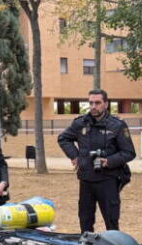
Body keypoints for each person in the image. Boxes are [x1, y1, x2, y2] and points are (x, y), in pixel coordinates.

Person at [58, 89, 136, 232]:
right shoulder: (80, 123)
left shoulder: (117, 125)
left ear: (106, 104)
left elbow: (129, 153)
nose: (93, 106)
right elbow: (63, 138)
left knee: (111, 223)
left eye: (98, 103)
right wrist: (75, 156)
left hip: (108, 181)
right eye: (91, 103)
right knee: (85, 222)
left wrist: (109, 161)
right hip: (86, 180)